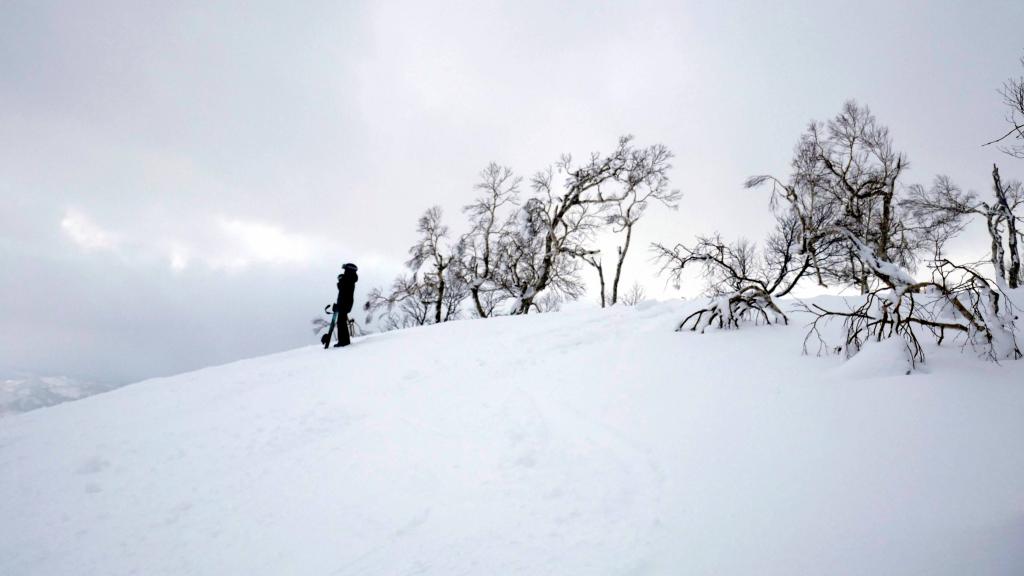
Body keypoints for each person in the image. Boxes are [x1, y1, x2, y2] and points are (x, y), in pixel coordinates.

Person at [330, 263, 358, 347]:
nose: (344, 271)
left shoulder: (348, 280)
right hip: (345, 303)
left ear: (348, 270)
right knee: (341, 321)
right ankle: (344, 341)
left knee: (341, 322)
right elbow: (342, 292)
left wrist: (339, 305)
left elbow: (344, 293)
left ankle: (344, 342)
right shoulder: (349, 280)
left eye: (345, 270)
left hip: (344, 303)